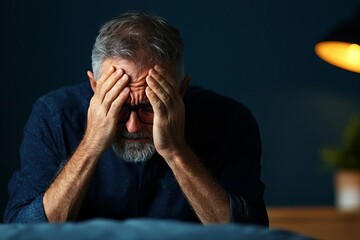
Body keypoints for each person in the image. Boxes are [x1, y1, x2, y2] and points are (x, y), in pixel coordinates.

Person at [4, 12, 268, 225]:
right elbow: (22, 231)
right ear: (94, 86)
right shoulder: (54, 116)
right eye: (118, 105)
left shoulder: (230, 121)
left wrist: (176, 151)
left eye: (149, 107)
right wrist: (91, 145)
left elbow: (248, 233)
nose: (132, 126)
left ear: (181, 91)